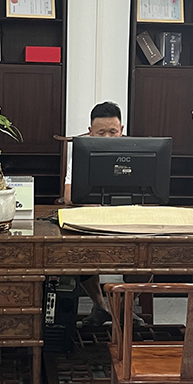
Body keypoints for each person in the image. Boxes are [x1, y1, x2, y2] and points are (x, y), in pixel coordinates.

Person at [63, 101, 143, 327]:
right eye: (101, 133)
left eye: (113, 132)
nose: (107, 137)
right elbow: (68, 195)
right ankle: (100, 306)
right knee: (76, 252)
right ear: (90, 131)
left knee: (151, 253)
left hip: (130, 221)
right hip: (93, 221)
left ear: (122, 130)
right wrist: (96, 207)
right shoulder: (82, 154)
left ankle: (124, 309)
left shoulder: (138, 153)